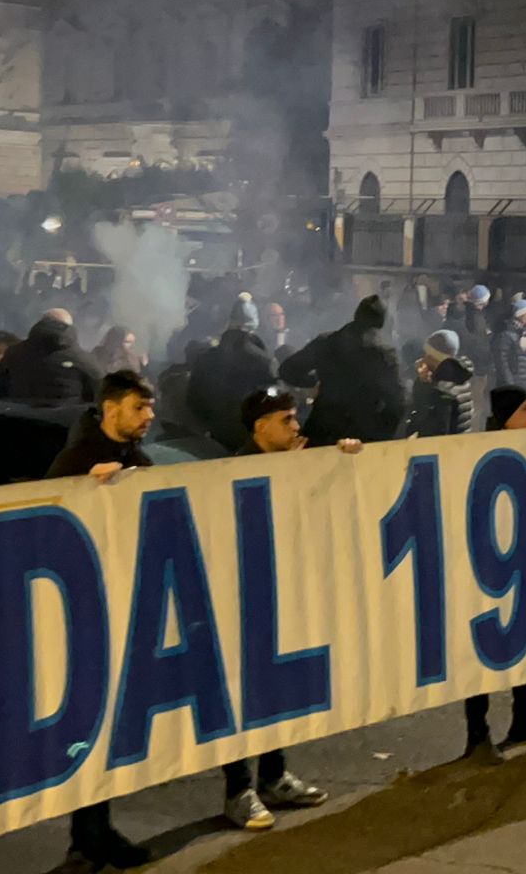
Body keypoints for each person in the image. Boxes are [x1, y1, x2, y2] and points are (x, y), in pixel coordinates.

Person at [46, 370, 160, 872]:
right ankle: (85, 839)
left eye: (150, 407)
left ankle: (96, 833)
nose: (149, 416)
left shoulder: (138, 460)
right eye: (139, 407)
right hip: (82, 611)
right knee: (85, 728)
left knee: (109, 729)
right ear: (111, 409)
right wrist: (84, 492)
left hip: (123, 603)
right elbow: (47, 517)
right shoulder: (75, 460)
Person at [220, 387, 334, 829]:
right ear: (260, 427)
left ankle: (273, 776)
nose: (296, 426)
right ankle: (238, 788)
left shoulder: (292, 462)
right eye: (286, 419)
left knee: (274, 692)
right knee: (239, 693)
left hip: (279, 592)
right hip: (242, 600)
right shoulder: (231, 471)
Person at [462, 387, 526, 763]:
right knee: (482, 652)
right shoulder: (478, 452)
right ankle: (477, 732)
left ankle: (524, 714)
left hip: (521, 557)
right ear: (506, 417)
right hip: (488, 565)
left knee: (524, 640)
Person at [280, 295, 407, 446]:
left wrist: (313, 382)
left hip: (322, 429)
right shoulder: (384, 354)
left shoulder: (325, 342)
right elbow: (399, 400)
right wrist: (382, 432)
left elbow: (288, 370)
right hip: (364, 435)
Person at [188, 300, 279, 451]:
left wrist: (209, 425)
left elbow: (194, 399)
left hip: (217, 436)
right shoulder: (264, 361)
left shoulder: (205, 359)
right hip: (255, 437)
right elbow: (276, 401)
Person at [2, 309, 104, 405]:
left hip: (17, 416)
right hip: (67, 417)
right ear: (69, 328)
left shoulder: (12, 353)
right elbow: (102, 395)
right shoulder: (84, 360)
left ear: (41, 323)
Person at [405, 331, 478, 439]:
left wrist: (423, 385)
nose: (424, 359)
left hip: (444, 447)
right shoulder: (458, 375)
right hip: (460, 442)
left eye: (428, 355)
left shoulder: (442, 390)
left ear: (435, 358)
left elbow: (431, 427)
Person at [490, 300, 526, 393]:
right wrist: (510, 384)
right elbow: (502, 362)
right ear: (520, 315)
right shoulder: (506, 335)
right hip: (513, 386)